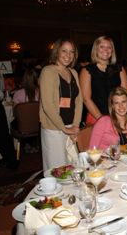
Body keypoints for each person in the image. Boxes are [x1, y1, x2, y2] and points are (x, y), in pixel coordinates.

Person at [39, 38, 82, 170]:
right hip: (54, 129)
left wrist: (75, 126)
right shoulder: (48, 71)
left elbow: (78, 101)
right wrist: (65, 129)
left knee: (73, 167)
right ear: (57, 51)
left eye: (71, 52)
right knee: (57, 171)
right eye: (64, 51)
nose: (68, 55)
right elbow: (48, 105)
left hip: (71, 127)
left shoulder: (73, 72)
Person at [79, 36, 127, 125]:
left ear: (112, 51)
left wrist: (120, 117)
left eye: (109, 47)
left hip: (118, 117)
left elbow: (125, 95)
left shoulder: (119, 69)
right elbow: (86, 99)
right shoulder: (87, 70)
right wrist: (103, 120)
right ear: (96, 49)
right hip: (96, 118)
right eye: (102, 47)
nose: (106, 50)